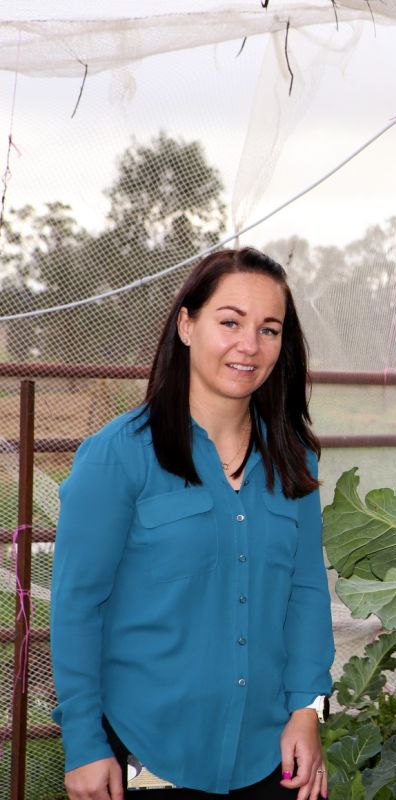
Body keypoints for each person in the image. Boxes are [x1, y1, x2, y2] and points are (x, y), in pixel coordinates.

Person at [50, 248, 335, 800]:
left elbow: (306, 591)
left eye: (269, 329)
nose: (249, 346)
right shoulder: (116, 457)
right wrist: (84, 743)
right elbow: (77, 604)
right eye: (230, 322)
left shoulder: (294, 460)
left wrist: (308, 710)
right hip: (143, 754)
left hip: (269, 756)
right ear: (187, 324)